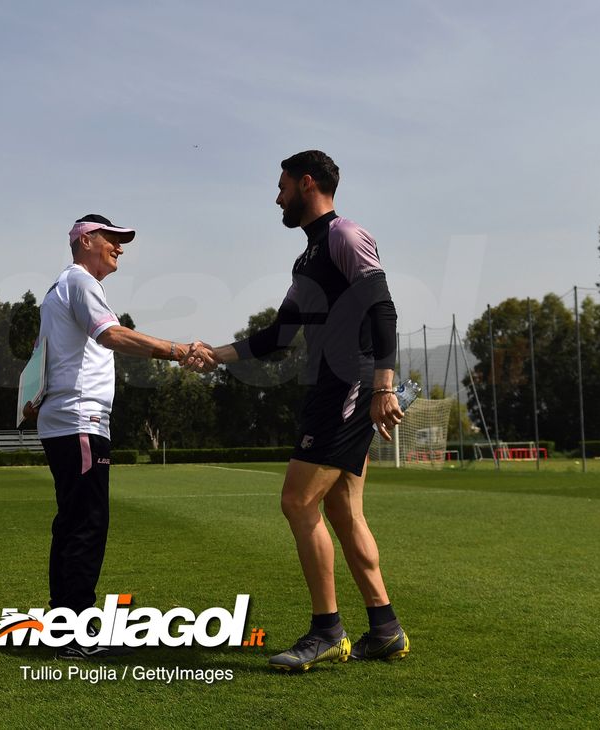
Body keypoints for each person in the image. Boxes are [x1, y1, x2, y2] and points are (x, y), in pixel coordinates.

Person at [188, 151, 409, 672]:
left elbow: (383, 307)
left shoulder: (345, 235)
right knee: (343, 512)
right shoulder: (308, 257)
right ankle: (385, 628)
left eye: (282, 185)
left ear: (307, 183)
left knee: (296, 501)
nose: (277, 196)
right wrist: (213, 355)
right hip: (332, 388)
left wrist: (383, 383)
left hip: (347, 388)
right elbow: (279, 335)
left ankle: (327, 629)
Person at [24, 214, 198, 660]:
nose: (119, 247)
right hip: (80, 420)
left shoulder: (62, 286)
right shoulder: (81, 283)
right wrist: (176, 351)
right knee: (86, 524)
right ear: (85, 241)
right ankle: (75, 632)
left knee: (72, 523)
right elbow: (111, 334)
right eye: (112, 239)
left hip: (69, 421)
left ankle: (63, 626)